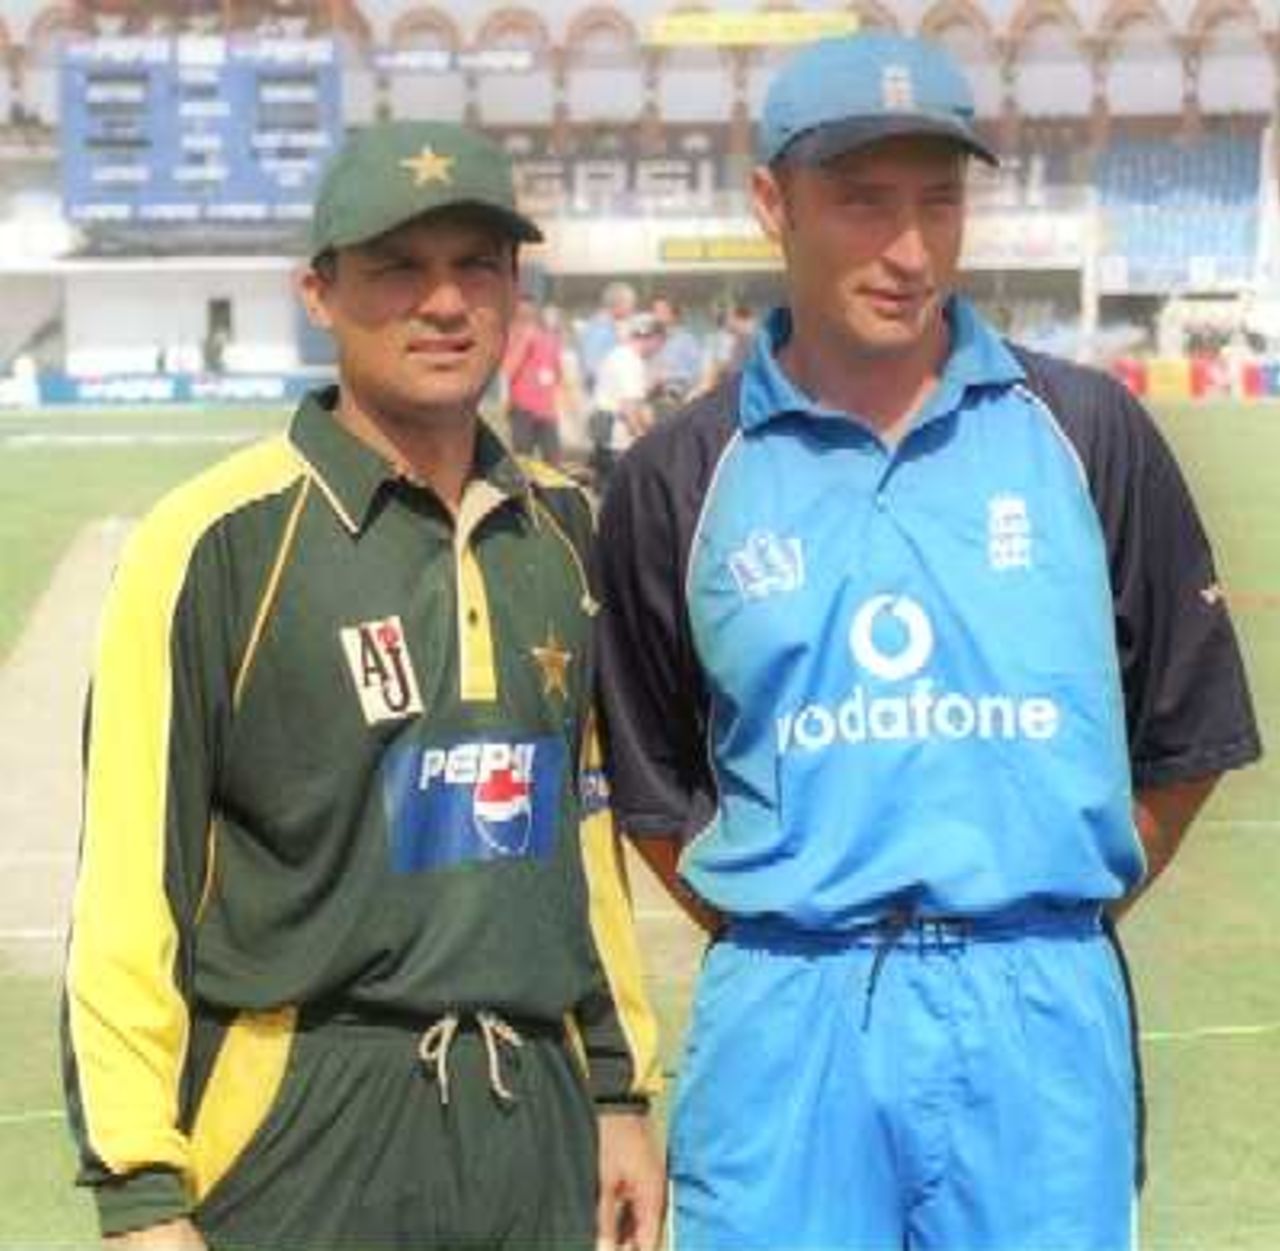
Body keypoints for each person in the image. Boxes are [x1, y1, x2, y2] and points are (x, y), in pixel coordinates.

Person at [595, 33, 1261, 1251]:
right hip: (786, 1015)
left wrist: (1029, 910)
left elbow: (1185, 731)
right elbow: (651, 785)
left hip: (1037, 1006)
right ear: (769, 203)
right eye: (860, 201)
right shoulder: (676, 477)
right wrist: (812, 923)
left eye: (938, 201)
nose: (908, 249)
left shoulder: (1085, 432)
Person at [63, 120, 664, 1251]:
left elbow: (583, 847)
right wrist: (141, 1194)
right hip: (302, 1131)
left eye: (474, 266)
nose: (443, 303)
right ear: (318, 292)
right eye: (397, 268)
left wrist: (616, 1090)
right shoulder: (211, 544)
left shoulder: (563, 529)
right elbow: (129, 890)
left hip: (530, 1117)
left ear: (513, 286)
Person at [587, 312, 662, 489]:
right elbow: (629, 408)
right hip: (619, 442)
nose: (659, 349)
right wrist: (645, 440)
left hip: (606, 438)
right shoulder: (630, 362)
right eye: (659, 342)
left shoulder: (618, 355)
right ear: (652, 338)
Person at [502, 294, 564, 464]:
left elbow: (557, 373)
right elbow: (507, 370)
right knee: (524, 462)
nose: (526, 315)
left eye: (529, 312)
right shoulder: (511, 336)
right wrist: (524, 342)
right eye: (521, 312)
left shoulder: (549, 337)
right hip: (523, 409)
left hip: (547, 411)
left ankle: (551, 491)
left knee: (553, 461)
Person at [577, 280, 637, 390]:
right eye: (630, 303)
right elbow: (593, 369)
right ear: (619, 303)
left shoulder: (609, 326)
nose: (632, 309)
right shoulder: (600, 329)